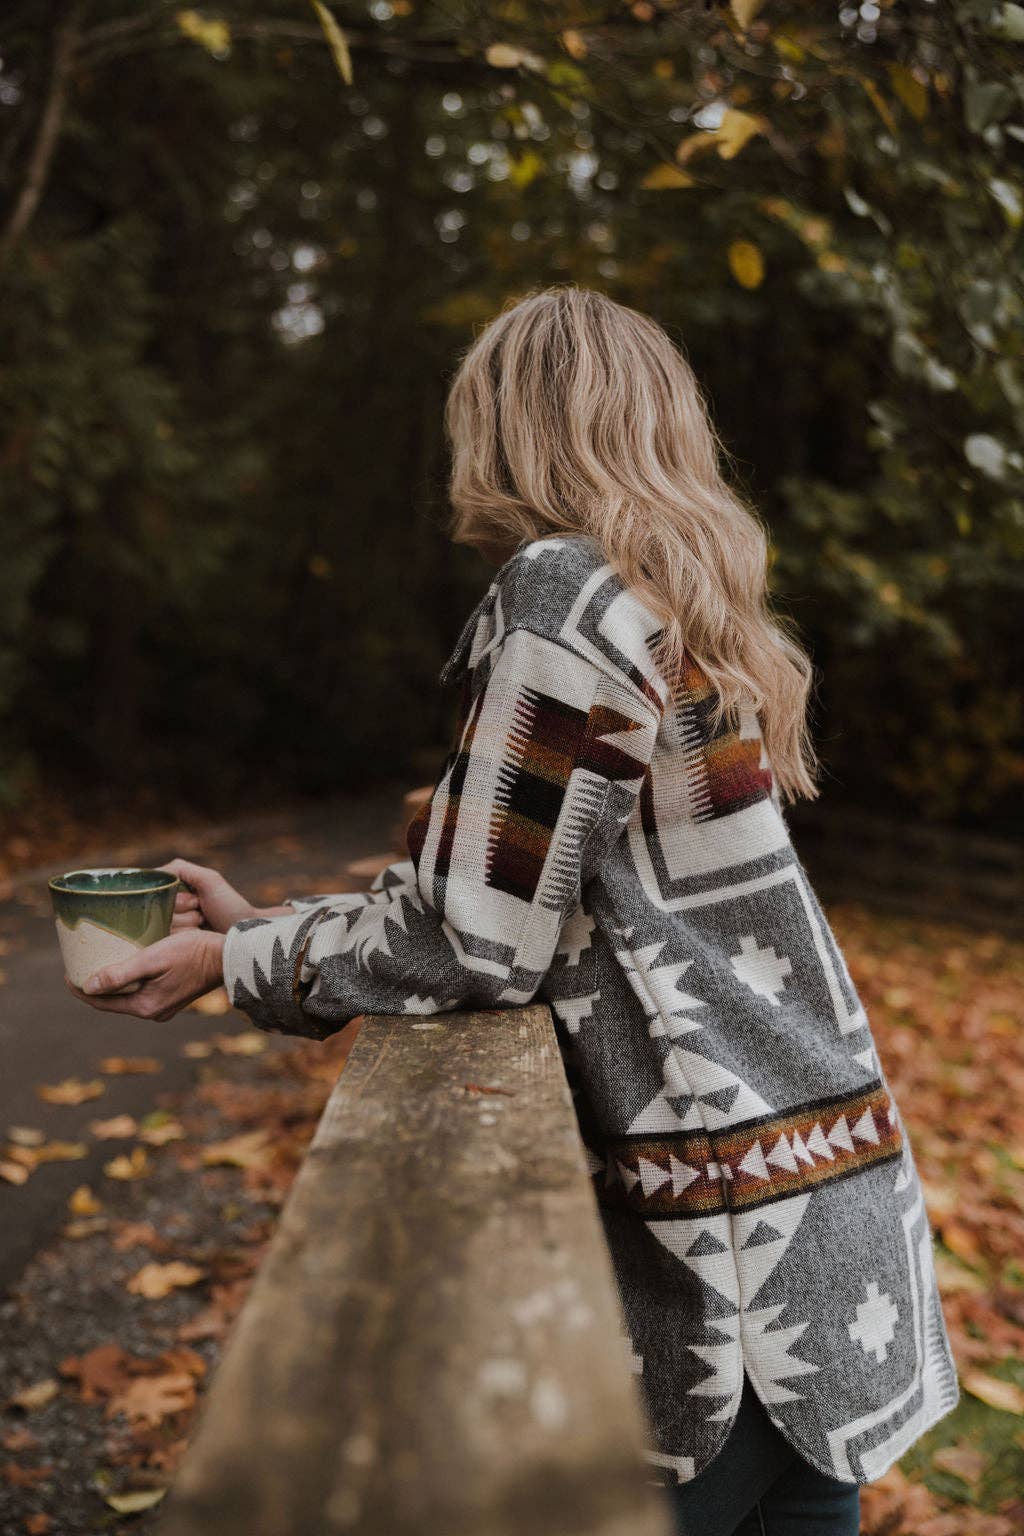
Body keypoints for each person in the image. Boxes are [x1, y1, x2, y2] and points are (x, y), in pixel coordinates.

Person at [71, 287, 959, 1535]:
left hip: (729, 1278)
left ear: (503, 428)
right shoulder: (673, 608)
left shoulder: (563, 598)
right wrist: (266, 919)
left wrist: (240, 961)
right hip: (824, 1225)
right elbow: (523, 888)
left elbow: (479, 937)